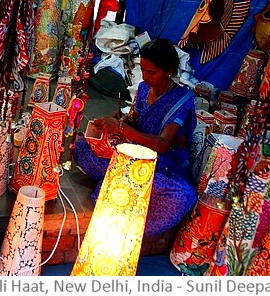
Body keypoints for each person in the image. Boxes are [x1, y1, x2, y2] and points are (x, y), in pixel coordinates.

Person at [74, 38, 197, 236]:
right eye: (143, 69)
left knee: (183, 196)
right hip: (133, 150)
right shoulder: (143, 88)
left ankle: (130, 223)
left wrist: (121, 127)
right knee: (82, 146)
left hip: (162, 163)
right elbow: (136, 120)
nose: (146, 76)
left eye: (152, 72)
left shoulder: (181, 100)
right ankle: (120, 182)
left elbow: (164, 145)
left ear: (169, 71)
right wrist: (121, 121)